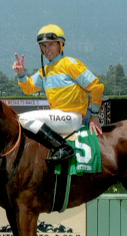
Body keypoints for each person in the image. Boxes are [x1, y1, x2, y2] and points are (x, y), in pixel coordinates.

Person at [12, 24, 104, 165]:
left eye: (51, 45)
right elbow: (28, 88)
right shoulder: (45, 70)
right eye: (43, 46)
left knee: (23, 118)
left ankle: (64, 148)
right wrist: (21, 75)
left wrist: (94, 116)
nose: (46, 49)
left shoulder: (70, 64)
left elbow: (96, 87)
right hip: (58, 117)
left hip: (72, 117)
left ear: (61, 45)